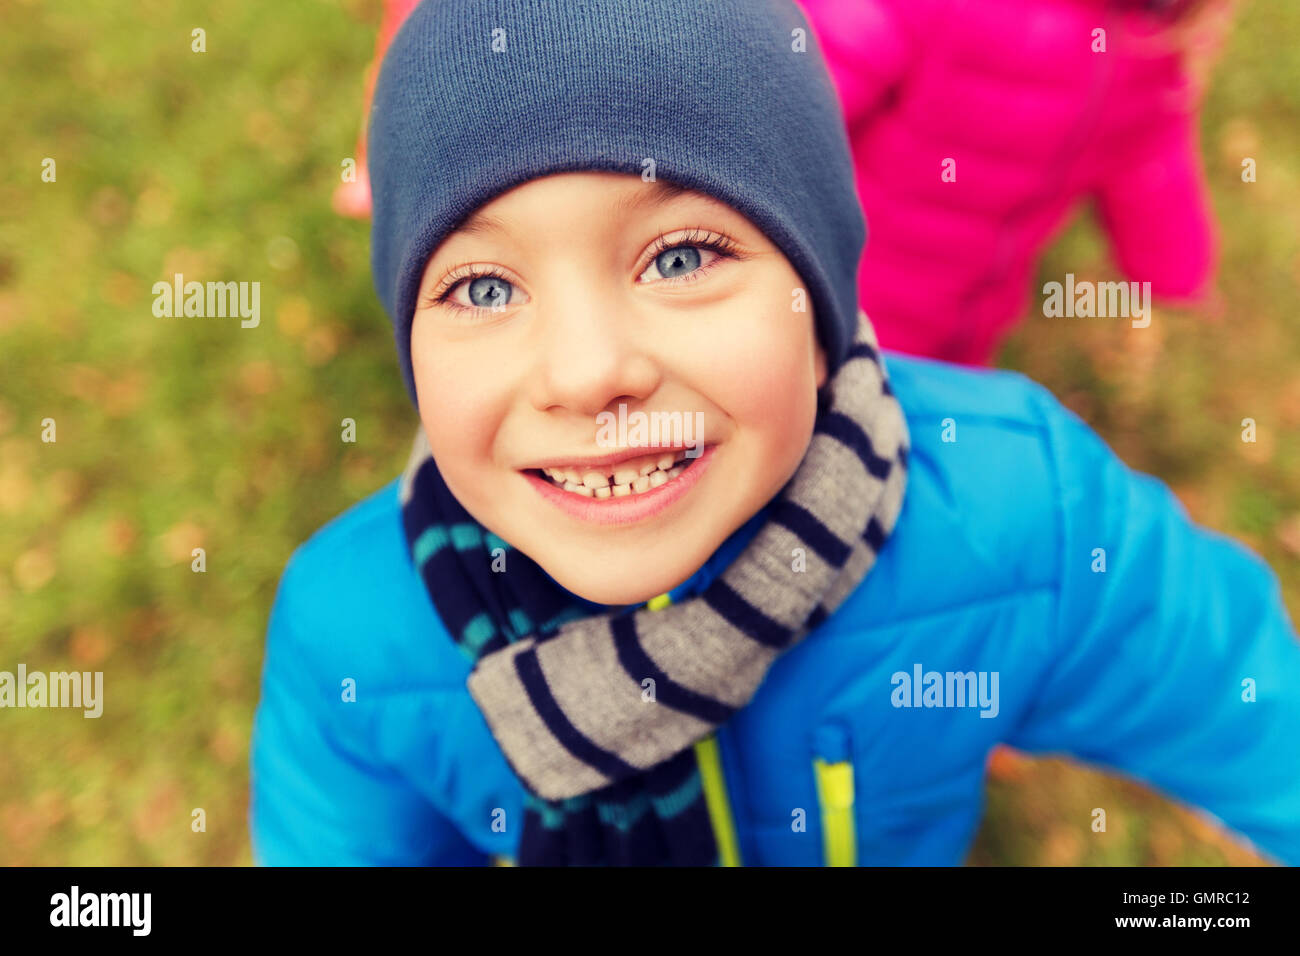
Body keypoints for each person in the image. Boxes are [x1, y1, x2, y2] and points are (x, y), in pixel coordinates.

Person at [250, 0, 1300, 866]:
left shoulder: (1023, 518)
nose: (584, 371)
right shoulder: (352, 637)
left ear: (818, 278)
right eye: (482, 283)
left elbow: (1238, 696)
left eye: (679, 256)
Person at [795, 0, 1236, 364]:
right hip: (832, 303)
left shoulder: (1144, 42)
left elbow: (1151, 161)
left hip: (966, 331)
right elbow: (802, 88)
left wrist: (1178, 267)